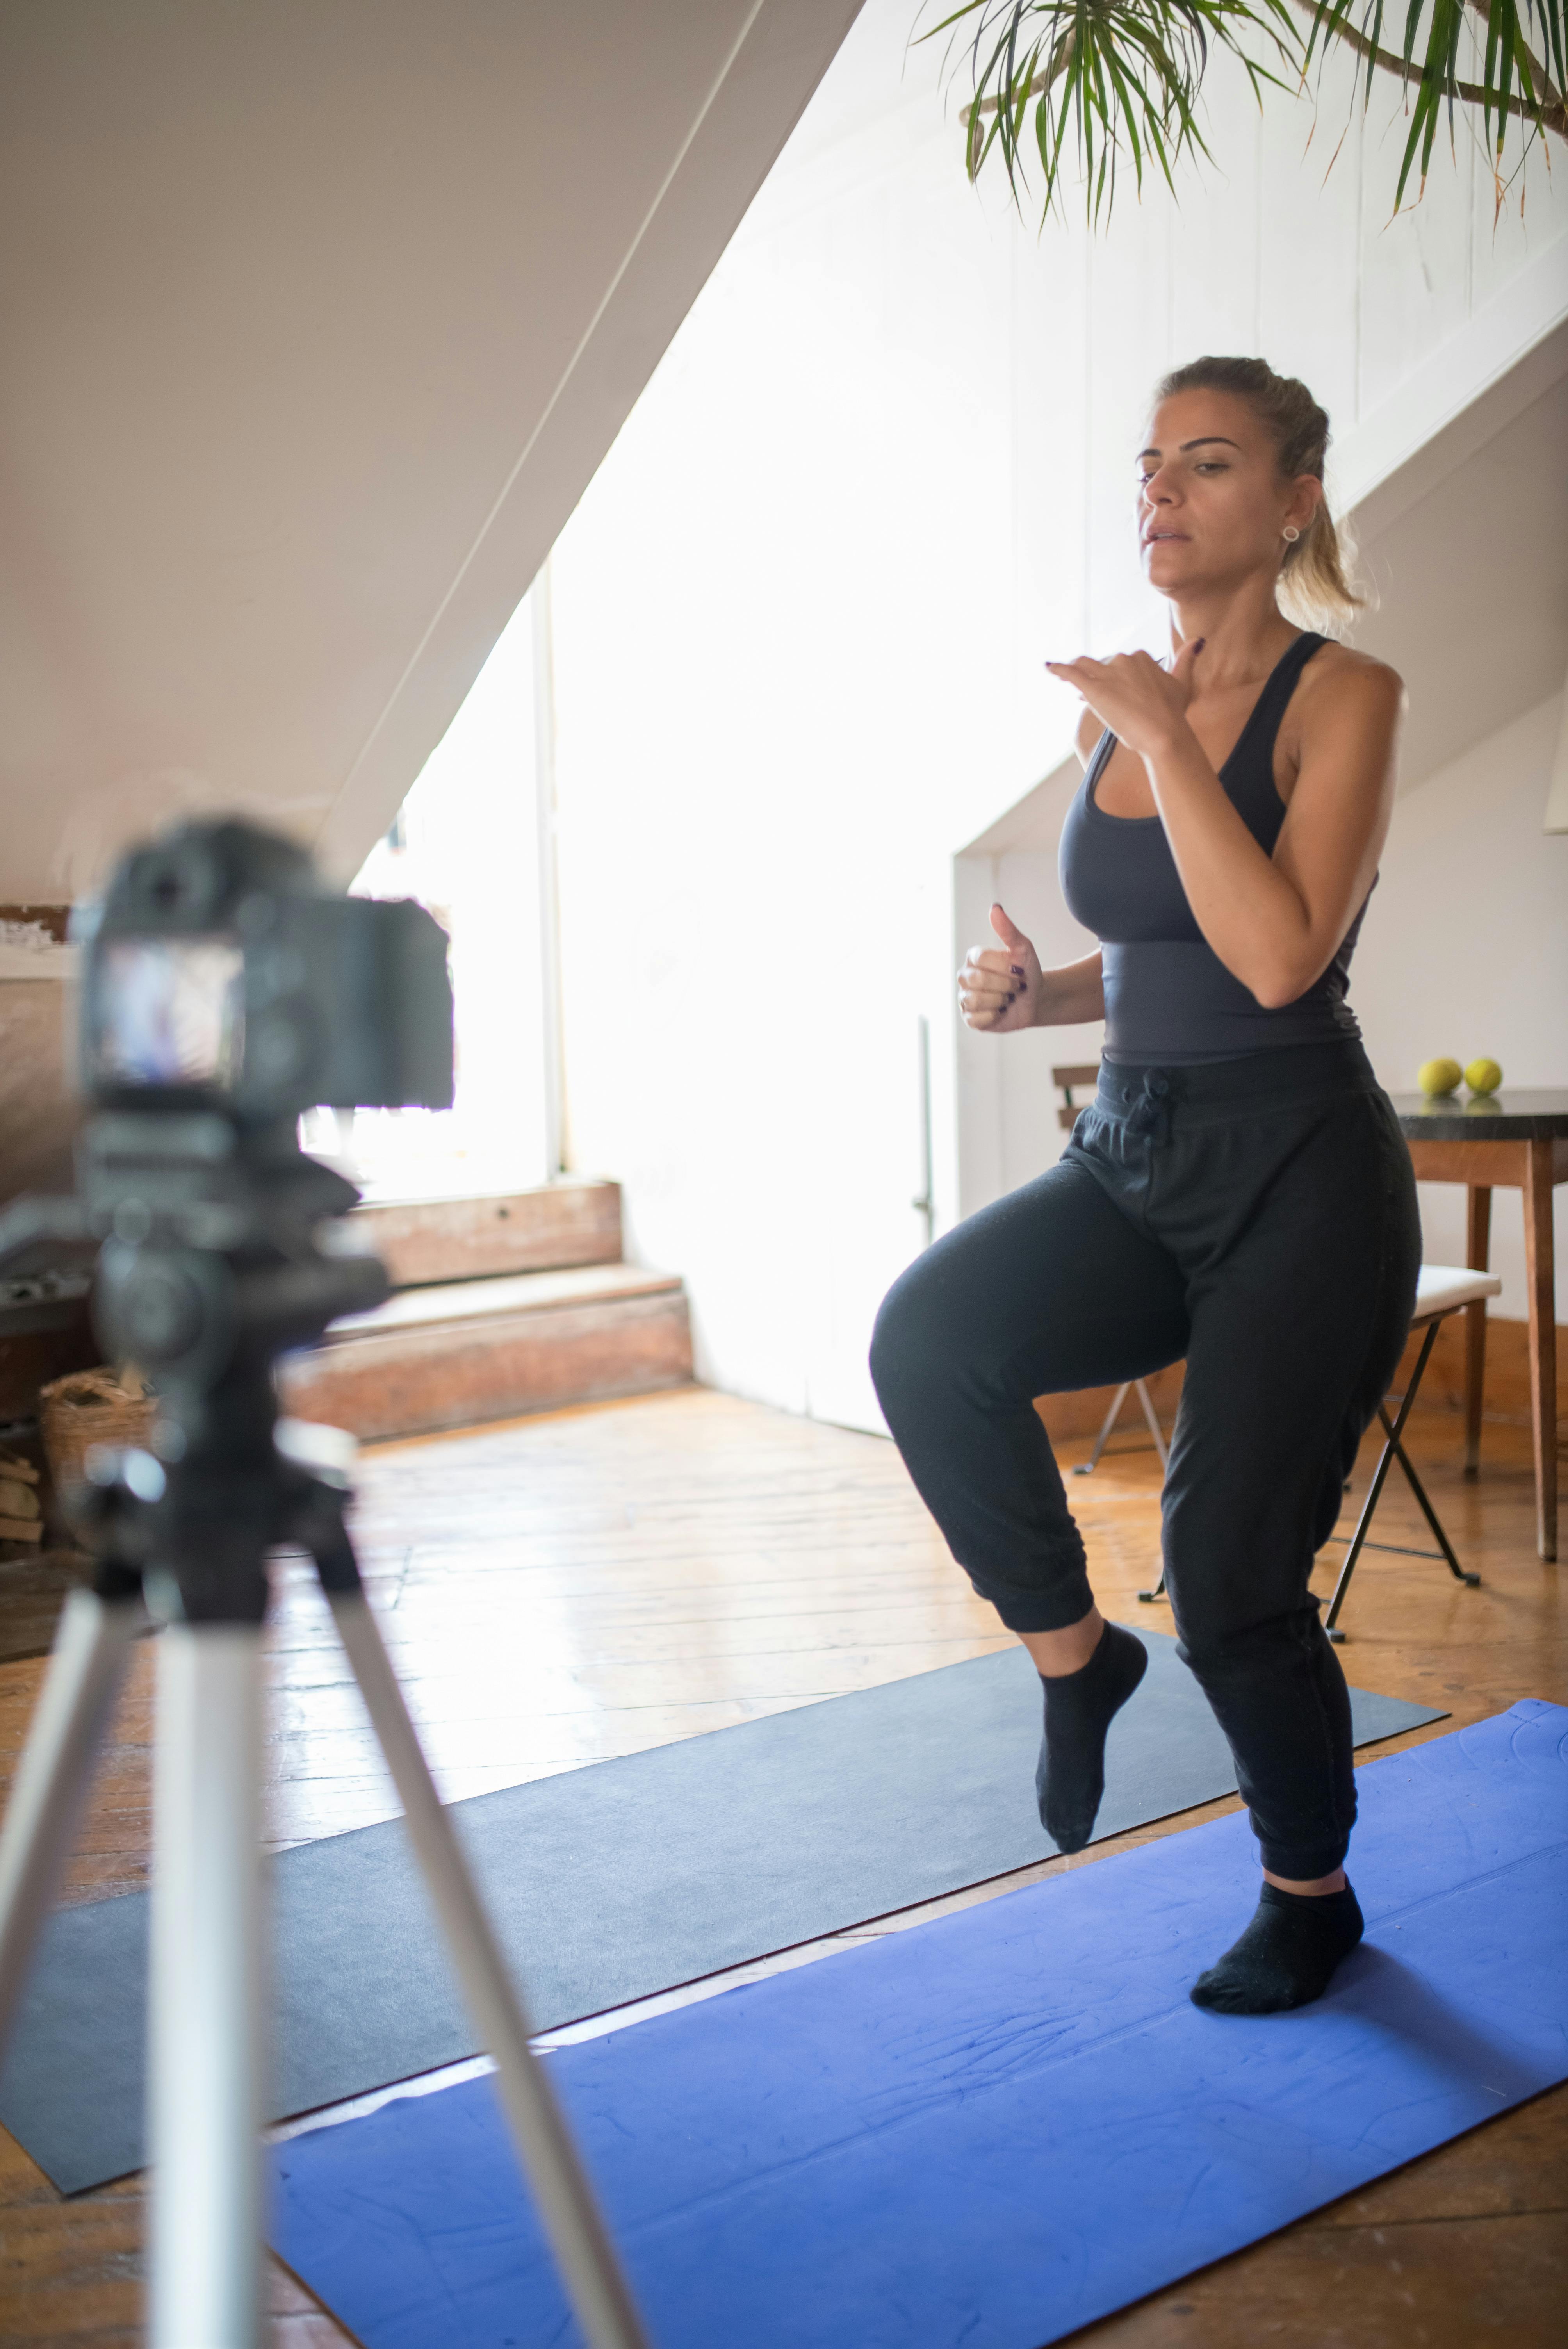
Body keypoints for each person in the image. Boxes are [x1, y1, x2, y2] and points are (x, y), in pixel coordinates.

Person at [869, 355, 1420, 2016]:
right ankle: (1073, 1655)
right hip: (1130, 1148)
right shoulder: (1119, 705)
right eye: (1147, 466)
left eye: (1205, 463)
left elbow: (1272, 957)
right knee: (928, 1339)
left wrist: (1160, 730)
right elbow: (1163, 937)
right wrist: (1031, 997)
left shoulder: (1345, 695)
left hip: (1300, 1173)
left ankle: (1303, 1889)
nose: (1159, 494)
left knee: (1230, 1562)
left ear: (1291, 499)